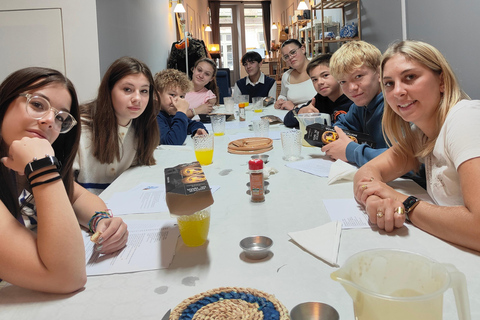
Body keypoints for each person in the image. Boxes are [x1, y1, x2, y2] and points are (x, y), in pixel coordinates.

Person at [0, 67, 128, 293]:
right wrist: (41, 168)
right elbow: (68, 277)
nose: (50, 121)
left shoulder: (21, 165)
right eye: (38, 104)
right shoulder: (36, 165)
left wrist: (100, 221)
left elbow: (76, 196)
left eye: (60, 117)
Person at [354, 40, 480, 251]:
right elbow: (369, 171)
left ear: (441, 81)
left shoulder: (465, 117)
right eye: (389, 84)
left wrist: (403, 202)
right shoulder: (420, 133)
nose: (398, 92)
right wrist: (375, 201)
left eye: (410, 77)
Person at [74, 57, 159, 195]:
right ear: (108, 90)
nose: (137, 98)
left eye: (144, 91)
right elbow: (63, 189)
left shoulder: (142, 129)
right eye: (127, 89)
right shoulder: (80, 128)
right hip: (82, 214)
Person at [322, 41, 388, 167]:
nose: (351, 88)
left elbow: (408, 161)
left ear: (379, 73)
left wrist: (351, 152)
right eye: (343, 81)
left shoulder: (396, 106)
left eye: (358, 76)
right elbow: (340, 127)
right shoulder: (359, 106)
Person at [284, 53, 352, 128]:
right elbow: (287, 120)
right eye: (314, 79)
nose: (319, 82)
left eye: (325, 75)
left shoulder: (354, 99)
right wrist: (300, 112)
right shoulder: (319, 100)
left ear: (338, 73)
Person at [155, 69, 208, 145]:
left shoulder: (171, 113)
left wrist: (197, 130)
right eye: (172, 95)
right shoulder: (154, 117)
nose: (178, 100)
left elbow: (192, 124)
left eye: (182, 96)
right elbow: (172, 142)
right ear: (157, 96)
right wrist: (181, 112)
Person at [274, 39, 316, 111]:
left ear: (303, 49)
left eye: (293, 52)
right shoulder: (287, 76)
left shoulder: (318, 71)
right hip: (292, 116)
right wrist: (281, 100)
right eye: (286, 57)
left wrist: (295, 108)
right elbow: (283, 95)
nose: (290, 57)